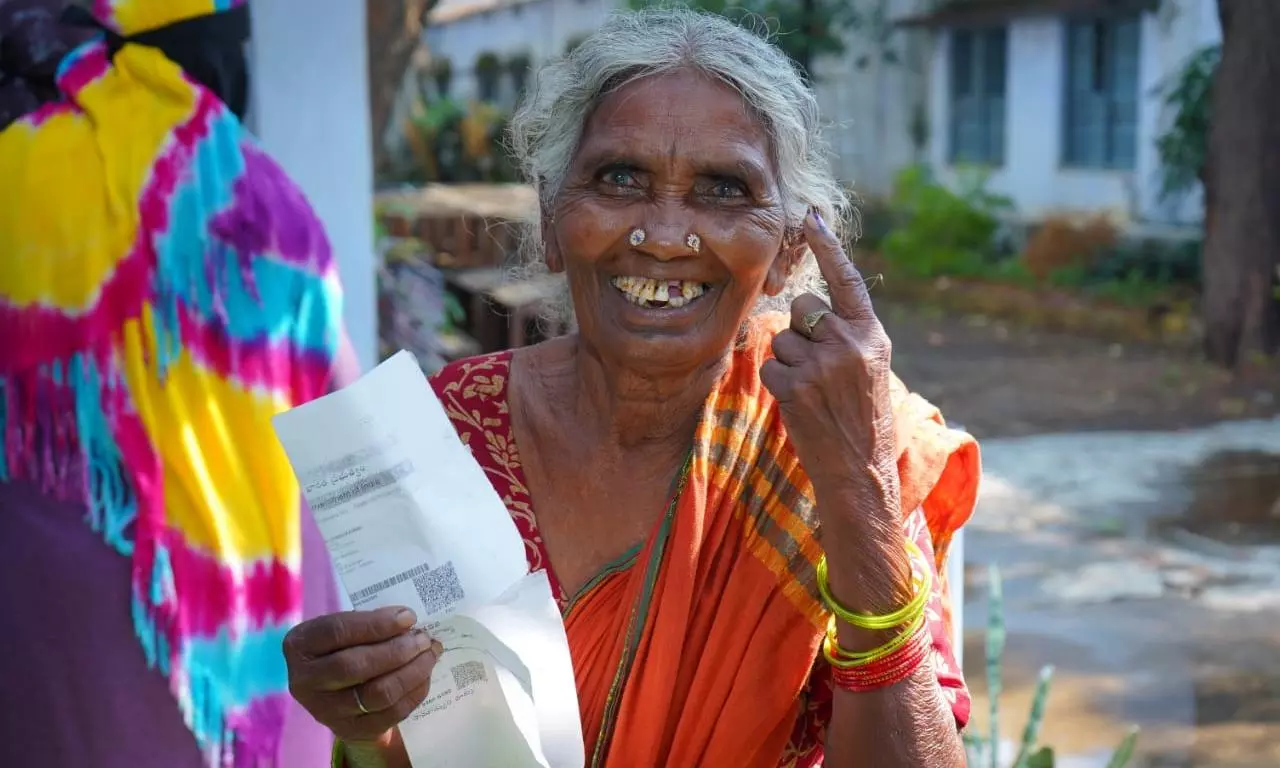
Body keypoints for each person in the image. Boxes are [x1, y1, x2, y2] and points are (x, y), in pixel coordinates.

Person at [285, 9, 980, 768]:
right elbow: (426, 734)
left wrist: (859, 491)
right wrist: (361, 710)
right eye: (620, 178)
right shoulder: (449, 432)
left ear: (787, 252)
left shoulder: (837, 442)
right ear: (552, 220)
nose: (664, 233)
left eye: (723, 188)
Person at [0, 0, 358, 765]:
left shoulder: (14, 195)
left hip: (48, 695)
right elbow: (355, 463)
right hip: (266, 695)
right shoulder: (262, 207)